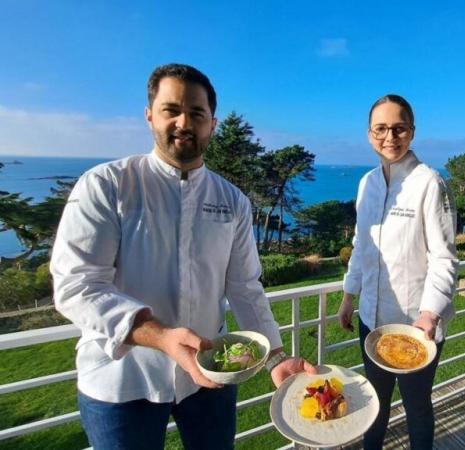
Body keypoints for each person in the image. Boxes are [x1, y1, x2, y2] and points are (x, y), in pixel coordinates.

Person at [50, 63, 316, 450]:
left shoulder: (232, 201)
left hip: (211, 375)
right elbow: (77, 285)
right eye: (171, 109)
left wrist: (276, 358)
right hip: (121, 379)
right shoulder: (108, 185)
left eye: (196, 113)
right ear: (149, 115)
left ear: (212, 123)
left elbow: (244, 286)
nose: (183, 122)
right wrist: (159, 336)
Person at [337, 94, 457, 449]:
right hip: (371, 321)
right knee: (374, 402)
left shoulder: (430, 183)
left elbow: (445, 258)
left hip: (414, 326)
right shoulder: (367, 184)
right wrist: (348, 296)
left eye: (399, 128)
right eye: (381, 129)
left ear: (412, 132)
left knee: (417, 406)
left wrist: (430, 315)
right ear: (369, 134)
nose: (390, 137)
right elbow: (362, 246)